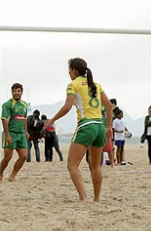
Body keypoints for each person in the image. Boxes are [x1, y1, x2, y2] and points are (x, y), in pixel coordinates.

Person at [44, 57, 113, 202]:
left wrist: (52, 120)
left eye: (69, 70)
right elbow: (108, 105)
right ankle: (97, 198)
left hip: (86, 126)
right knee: (95, 166)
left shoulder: (73, 85)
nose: (69, 73)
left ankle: (84, 197)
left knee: (72, 165)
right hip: (100, 126)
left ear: (74, 70)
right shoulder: (96, 85)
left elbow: (67, 107)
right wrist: (108, 127)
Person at [0, 83, 29, 181]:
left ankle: (13, 175)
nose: (16, 93)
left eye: (18, 91)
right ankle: (0, 173)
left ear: (21, 92)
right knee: (8, 157)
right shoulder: (8, 104)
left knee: (24, 156)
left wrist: (26, 131)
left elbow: (24, 119)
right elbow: (4, 119)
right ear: (12, 92)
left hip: (21, 134)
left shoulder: (24, 105)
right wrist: (7, 135)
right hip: (11, 133)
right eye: (14, 91)